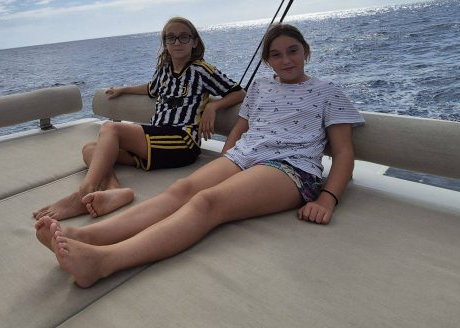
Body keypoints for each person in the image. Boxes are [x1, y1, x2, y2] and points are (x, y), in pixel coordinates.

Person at [35, 23, 363, 288]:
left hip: (291, 167)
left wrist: (327, 200)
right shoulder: (262, 87)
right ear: (268, 61)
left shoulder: (327, 91)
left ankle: (104, 261)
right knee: (180, 190)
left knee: (207, 202)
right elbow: (240, 127)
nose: (286, 59)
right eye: (276, 55)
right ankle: (83, 236)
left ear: (306, 51)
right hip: (244, 156)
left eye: (293, 51)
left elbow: (344, 153)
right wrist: (228, 156)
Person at [32, 16, 244, 221]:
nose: (177, 42)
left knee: (111, 129)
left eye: (184, 37)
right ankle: (115, 191)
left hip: (182, 141)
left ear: (194, 41)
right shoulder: (165, 71)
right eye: (171, 38)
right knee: (90, 149)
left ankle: (84, 192)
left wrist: (214, 107)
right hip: (157, 142)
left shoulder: (202, 70)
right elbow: (151, 89)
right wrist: (124, 89)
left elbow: (239, 92)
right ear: (165, 44)